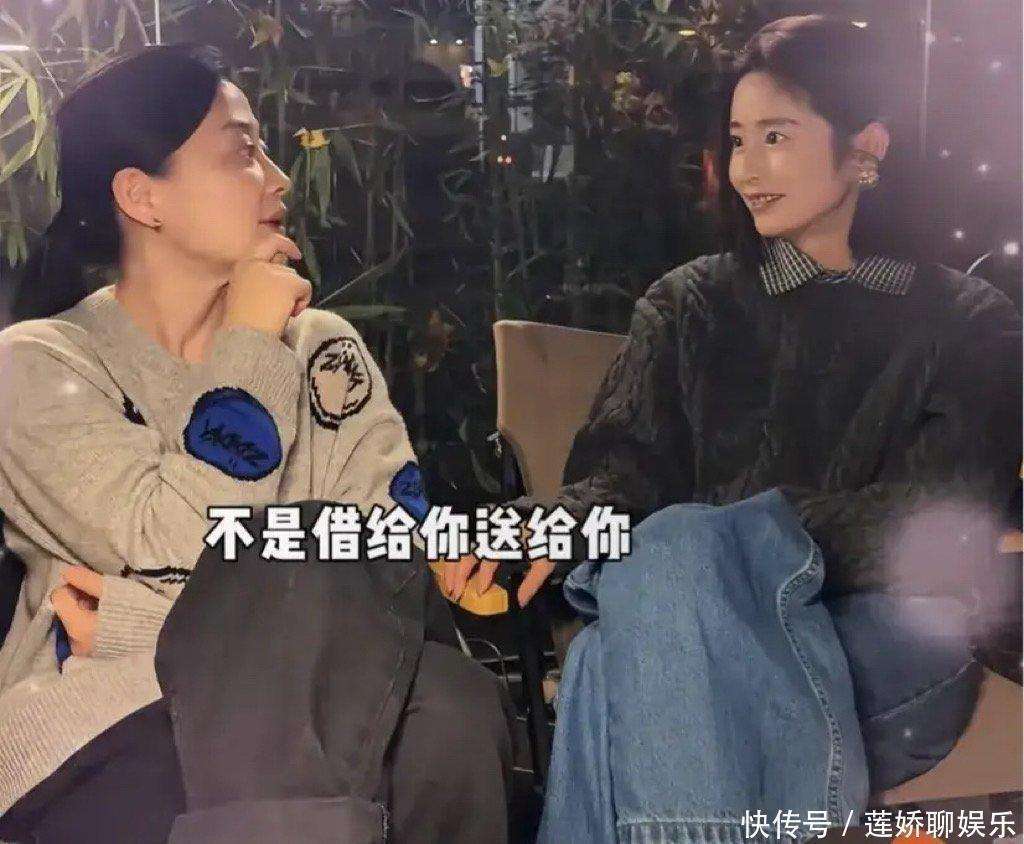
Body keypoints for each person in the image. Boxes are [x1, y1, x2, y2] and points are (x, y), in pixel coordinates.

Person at [445, 14, 1022, 842]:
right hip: (685, 626)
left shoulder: (968, 321)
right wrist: (551, 522)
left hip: (891, 642)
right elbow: (623, 477)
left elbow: (939, 520)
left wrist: (737, 541)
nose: (746, 169)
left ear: (866, 147)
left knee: (638, 623)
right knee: (645, 626)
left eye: (776, 137)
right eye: (739, 140)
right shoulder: (688, 304)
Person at [0, 45, 512, 843]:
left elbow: (392, 564)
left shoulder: (323, 350)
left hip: (324, 709)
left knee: (452, 706)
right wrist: (249, 343)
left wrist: (138, 624)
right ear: (141, 196)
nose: (278, 179)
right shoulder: (37, 365)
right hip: (103, 731)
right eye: (242, 152)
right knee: (428, 706)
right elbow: (175, 538)